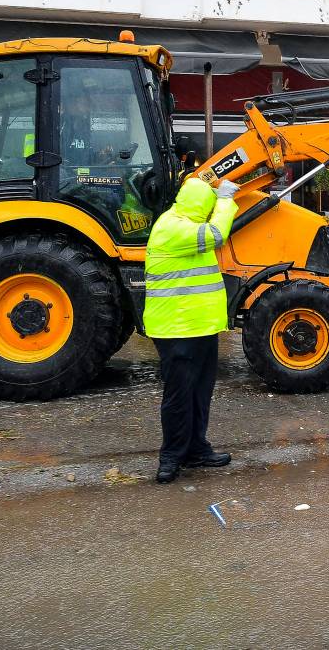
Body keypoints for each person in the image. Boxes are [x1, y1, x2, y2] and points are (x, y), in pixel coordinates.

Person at [143, 176, 240, 483]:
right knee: (179, 395)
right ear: (201, 204)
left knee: (200, 392)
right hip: (176, 329)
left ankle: (197, 449)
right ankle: (171, 457)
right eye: (209, 204)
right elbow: (216, 234)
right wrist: (224, 200)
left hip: (201, 326)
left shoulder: (184, 221)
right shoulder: (171, 227)